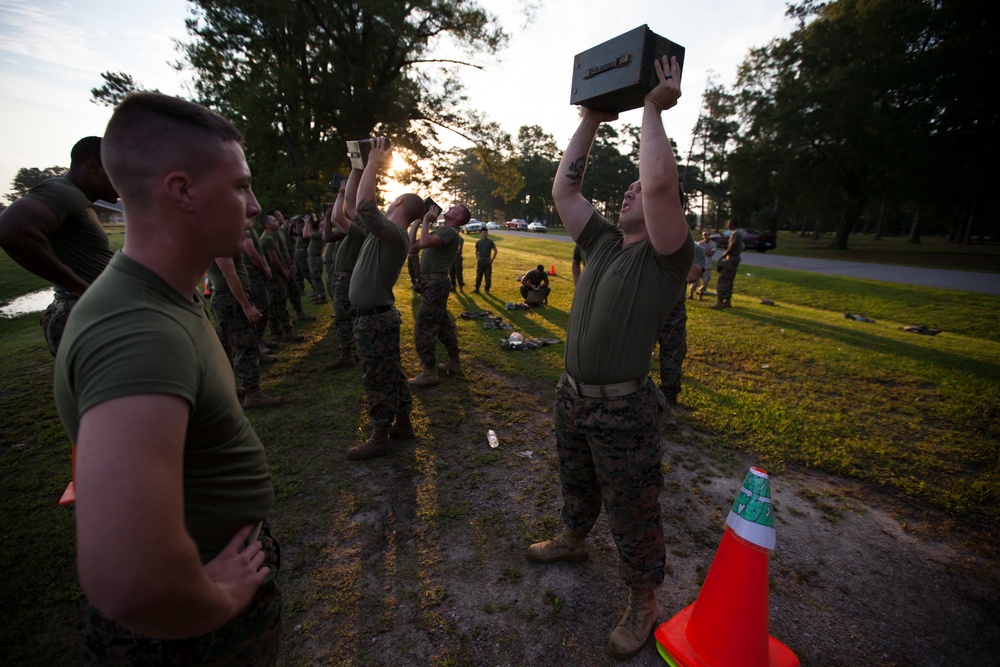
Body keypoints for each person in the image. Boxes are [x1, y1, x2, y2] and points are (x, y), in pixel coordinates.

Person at [53, 92, 281, 665]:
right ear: (182, 191)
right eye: (239, 186)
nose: (253, 205)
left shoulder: (166, 297)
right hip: (185, 640)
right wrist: (220, 600)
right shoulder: (138, 330)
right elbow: (129, 582)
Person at [527, 55, 691, 661]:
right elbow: (564, 188)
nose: (630, 190)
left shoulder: (667, 256)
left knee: (633, 508)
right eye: (623, 188)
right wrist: (592, 119)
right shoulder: (599, 242)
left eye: (636, 191)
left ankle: (644, 600)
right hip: (573, 397)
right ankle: (573, 536)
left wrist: (650, 107)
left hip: (625, 410)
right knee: (576, 479)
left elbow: (656, 185)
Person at [0, 136, 119, 356]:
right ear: (93, 167)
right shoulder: (65, 191)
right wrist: (80, 286)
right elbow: (10, 230)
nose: (124, 181)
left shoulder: (78, 198)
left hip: (91, 311)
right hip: (81, 315)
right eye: (118, 172)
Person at [346, 137, 423, 460]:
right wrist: (358, 166)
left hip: (374, 319)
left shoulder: (394, 235)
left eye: (392, 199)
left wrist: (376, 159)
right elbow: (352, 206)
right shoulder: (382, 234)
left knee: (377, 377)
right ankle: (403, 423)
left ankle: (380, 436)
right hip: (377, 316)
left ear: (400, 204)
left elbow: (364, 206)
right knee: (390, 372)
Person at [207, 238, 284, 409]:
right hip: (230, 299)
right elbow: (229, 274)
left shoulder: (214, 236)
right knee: (244, 346)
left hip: (226, 298)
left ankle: (235, 387)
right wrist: (246, 306)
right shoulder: (220, 241)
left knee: (231, 346)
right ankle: (253, 394)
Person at [409, 203, 470, 387]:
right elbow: (412, 246)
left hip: (436, 284)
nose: (449, 208)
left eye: (454, 209)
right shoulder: (441, 232)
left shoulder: (450, 233)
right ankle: (454, 361)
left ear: (458, 218)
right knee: (443, 323)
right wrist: (417, 224)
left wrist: (426, 221)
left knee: (424, 325)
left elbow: (425, 242)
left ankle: (429, 371)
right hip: (431, 284)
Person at [326, 168, 367, 370]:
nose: (355, 215)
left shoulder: (362, 232)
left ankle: (347, 354)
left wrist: (341, 194)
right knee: (349, 314)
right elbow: (343, 215)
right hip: (345, 276)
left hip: (346, 278)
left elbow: (336, 218)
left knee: (343, 315)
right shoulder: (360, 230)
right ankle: (355, 350)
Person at [658, 243, 705, 409]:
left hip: (673, 311)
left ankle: (668, 402)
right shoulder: (648, 241)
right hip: (645, 307)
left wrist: (676, 248)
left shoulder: (694, 248)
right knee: (635, 355)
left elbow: (692, 275)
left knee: (672, 356)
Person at [260, 212, 304, 343]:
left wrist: (287, 265)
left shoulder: (271, 236)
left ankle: (274, 327)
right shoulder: (267, 238)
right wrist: (284, 271)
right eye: (273, 220)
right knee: (279, 301)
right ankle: (287, 330)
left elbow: (278, 253)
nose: (277, 222)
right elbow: (274, 260)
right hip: (274, 274)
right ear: (267, 225)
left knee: (275, 301)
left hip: (275, 273)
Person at [712, 218, 742, 309]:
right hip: (735, 259)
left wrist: (723, 255)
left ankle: (720, 301)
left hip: (731, 259)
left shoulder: (735, 233)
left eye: (728, 224)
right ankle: (727, 301)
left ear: (731, 224)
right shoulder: (739, 233)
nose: (727, 225)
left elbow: (732, 246)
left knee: (723, 279)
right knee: (729, 280)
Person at [689, 230, 715, 300]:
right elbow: (696, 252)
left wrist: (702, 251)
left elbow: (710, 253)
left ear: (710, 235)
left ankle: (700, 295)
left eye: (707, 235)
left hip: (708, 265)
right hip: (699, 264)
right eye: (704, 235)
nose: (705, 236)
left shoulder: (713, 244)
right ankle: (691, 293)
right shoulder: (700, 243)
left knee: (705, 281)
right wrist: (705, 251)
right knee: (695, 280)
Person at [473, 228, 497, 293]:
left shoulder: (490, 242)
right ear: (481, 233)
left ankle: (487, 289)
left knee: (488, 276)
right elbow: (476, 251)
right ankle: (477, 288)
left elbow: (495, 251)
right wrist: (477, 258)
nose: (485, 234)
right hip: (481, 261)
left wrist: (492, 260)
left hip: (487, 261)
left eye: (486, 233)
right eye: (483, 233)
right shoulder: (478, 242)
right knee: (479, 275)